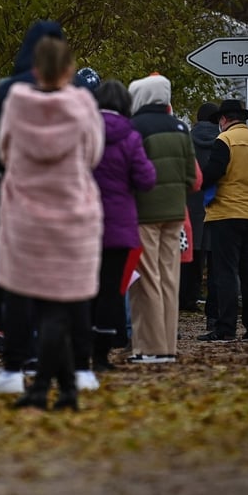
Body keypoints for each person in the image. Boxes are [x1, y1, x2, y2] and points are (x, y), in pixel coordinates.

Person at [0, 36, 104, 411]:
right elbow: (93, 153)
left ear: (36, 69)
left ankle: (46, 387)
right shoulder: (83, 105)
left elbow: (4, 150)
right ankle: (60, 389)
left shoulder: (16, 104)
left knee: (40, 305)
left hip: (25, 214)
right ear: (69, 70)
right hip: (72, 212)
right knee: (61, 306)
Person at [127, 73, 197, 363]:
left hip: (144, 213)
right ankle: (168, 345)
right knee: (170, 279)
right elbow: (193, 178)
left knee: (147, 281)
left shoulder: (136, 128)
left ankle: (150, 348)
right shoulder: (182, 128)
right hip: (174, 214)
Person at [88, 80, 156, 374]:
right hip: (119, 226)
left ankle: (80, 349)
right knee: (111, 290)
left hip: (85, 222)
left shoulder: (84, 132)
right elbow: (146, 179)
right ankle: (102, 355)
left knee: (84, 287)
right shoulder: (131, 136)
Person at [197, 99, 248, 342]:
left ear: (223, 120)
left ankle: (226, 327)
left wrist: (200, 182)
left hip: (227, 214)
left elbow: (214, 172)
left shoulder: (225, 140)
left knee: (226, 271)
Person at [181, 103, 219, 322]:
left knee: (190, 253)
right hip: (215, 202)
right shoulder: (224, 140)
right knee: (215, 254)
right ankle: (213, 299)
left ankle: (187, 297)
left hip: (190, 201)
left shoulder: (186, 138)